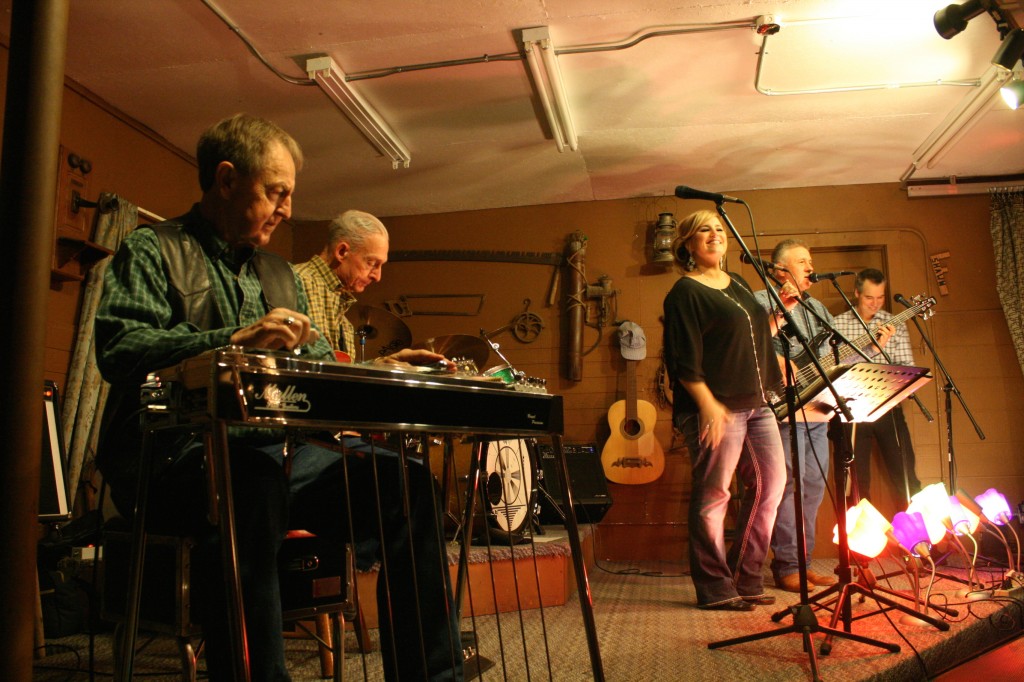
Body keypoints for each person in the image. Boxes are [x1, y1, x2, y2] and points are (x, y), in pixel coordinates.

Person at [94, 113, 464, 681]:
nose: (288, 208)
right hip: (170, 460)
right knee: (252, 482)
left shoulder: (276, 273)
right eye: (277, 192)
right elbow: (120, 347)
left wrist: (376, 369)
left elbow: (310, 365)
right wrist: (231, 340)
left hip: (272, 456)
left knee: (407, 484)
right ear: (225, 179)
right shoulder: (152, 249)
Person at [662, 210, 794, 611]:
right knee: (715, 495)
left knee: (772, 485)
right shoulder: (685, 292)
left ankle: (745, 575)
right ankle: (715, 588)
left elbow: (744, 337)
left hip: (757, 403)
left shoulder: (736, 283)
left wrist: (777, 313)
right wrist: (708, 406)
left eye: (719, 229)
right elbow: (683, 356)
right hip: (716, 406)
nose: (715, 235)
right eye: (704, 229)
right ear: (687, 242)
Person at [753, 239, 839, 593]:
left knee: (814, 487)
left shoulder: (816, 305)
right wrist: (778, 362)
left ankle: (803, 563)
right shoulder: (759, 301)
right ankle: (787, 565)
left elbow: (833, 349)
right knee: (790, 485)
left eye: (811, 260)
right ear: (779, 269)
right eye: (802, 260)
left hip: (816, 408)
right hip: (781, 407)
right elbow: (751, 344)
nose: (810, 266)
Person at [833, 268, 922, 502]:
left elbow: (908, 368)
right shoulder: (837, 325)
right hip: (852, 412)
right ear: (856, 294)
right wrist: (870, 350)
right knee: (857, 483)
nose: (875, 304)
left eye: (880, 297)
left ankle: (920, 536)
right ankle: (860, 538)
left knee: (905, 475)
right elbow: (833, 367)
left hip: (888, 407)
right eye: (869, 297)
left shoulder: (896, 325)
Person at [294, 209, 387, 359]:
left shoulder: (346, 324)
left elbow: (334, 373)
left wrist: (382, 364)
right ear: (342, 251)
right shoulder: (296, 281)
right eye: (371, 263)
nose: (377, 277)